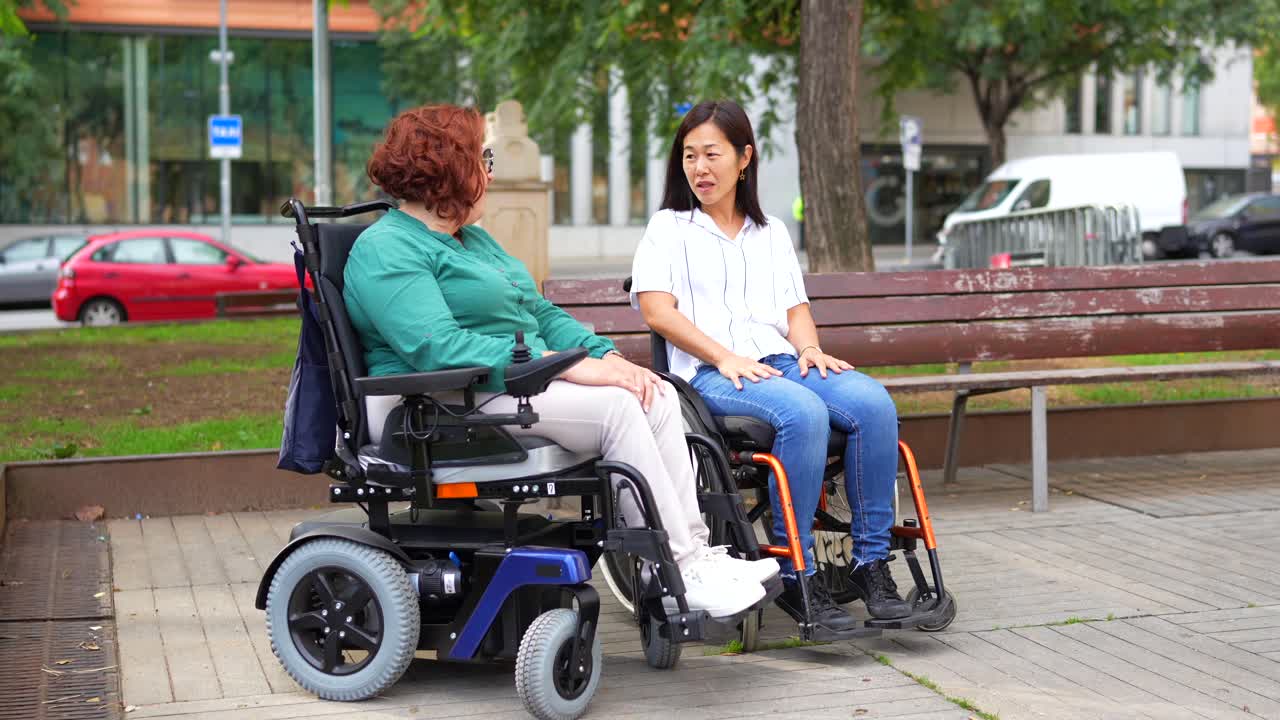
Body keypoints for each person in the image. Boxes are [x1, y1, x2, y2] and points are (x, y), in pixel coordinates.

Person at [341, 104, 778, 619]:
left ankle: (693, 557)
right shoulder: (386, 248)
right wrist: (560, 365)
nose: (490, 171)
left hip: (503, 385)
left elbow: (539, 312)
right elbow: (437, 348)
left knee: (650, 391)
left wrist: (606, 357)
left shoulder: (470, 239)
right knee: (617, 411)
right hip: (431, 403)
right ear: (449, 167)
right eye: (482, 158)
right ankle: (673, 567)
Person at [630, 100, 911, 631]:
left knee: (872, 404)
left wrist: (808, 349)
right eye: (689, 156)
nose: (699, 168)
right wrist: (724, 355)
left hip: (779, 362)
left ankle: (873, 563)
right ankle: (795, 568)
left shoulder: (771, 232)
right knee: (802, 413)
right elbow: (656, 311)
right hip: (709, 374)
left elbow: (795, 311)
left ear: (744, 159)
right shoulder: (669, 228)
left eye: (712, 154)